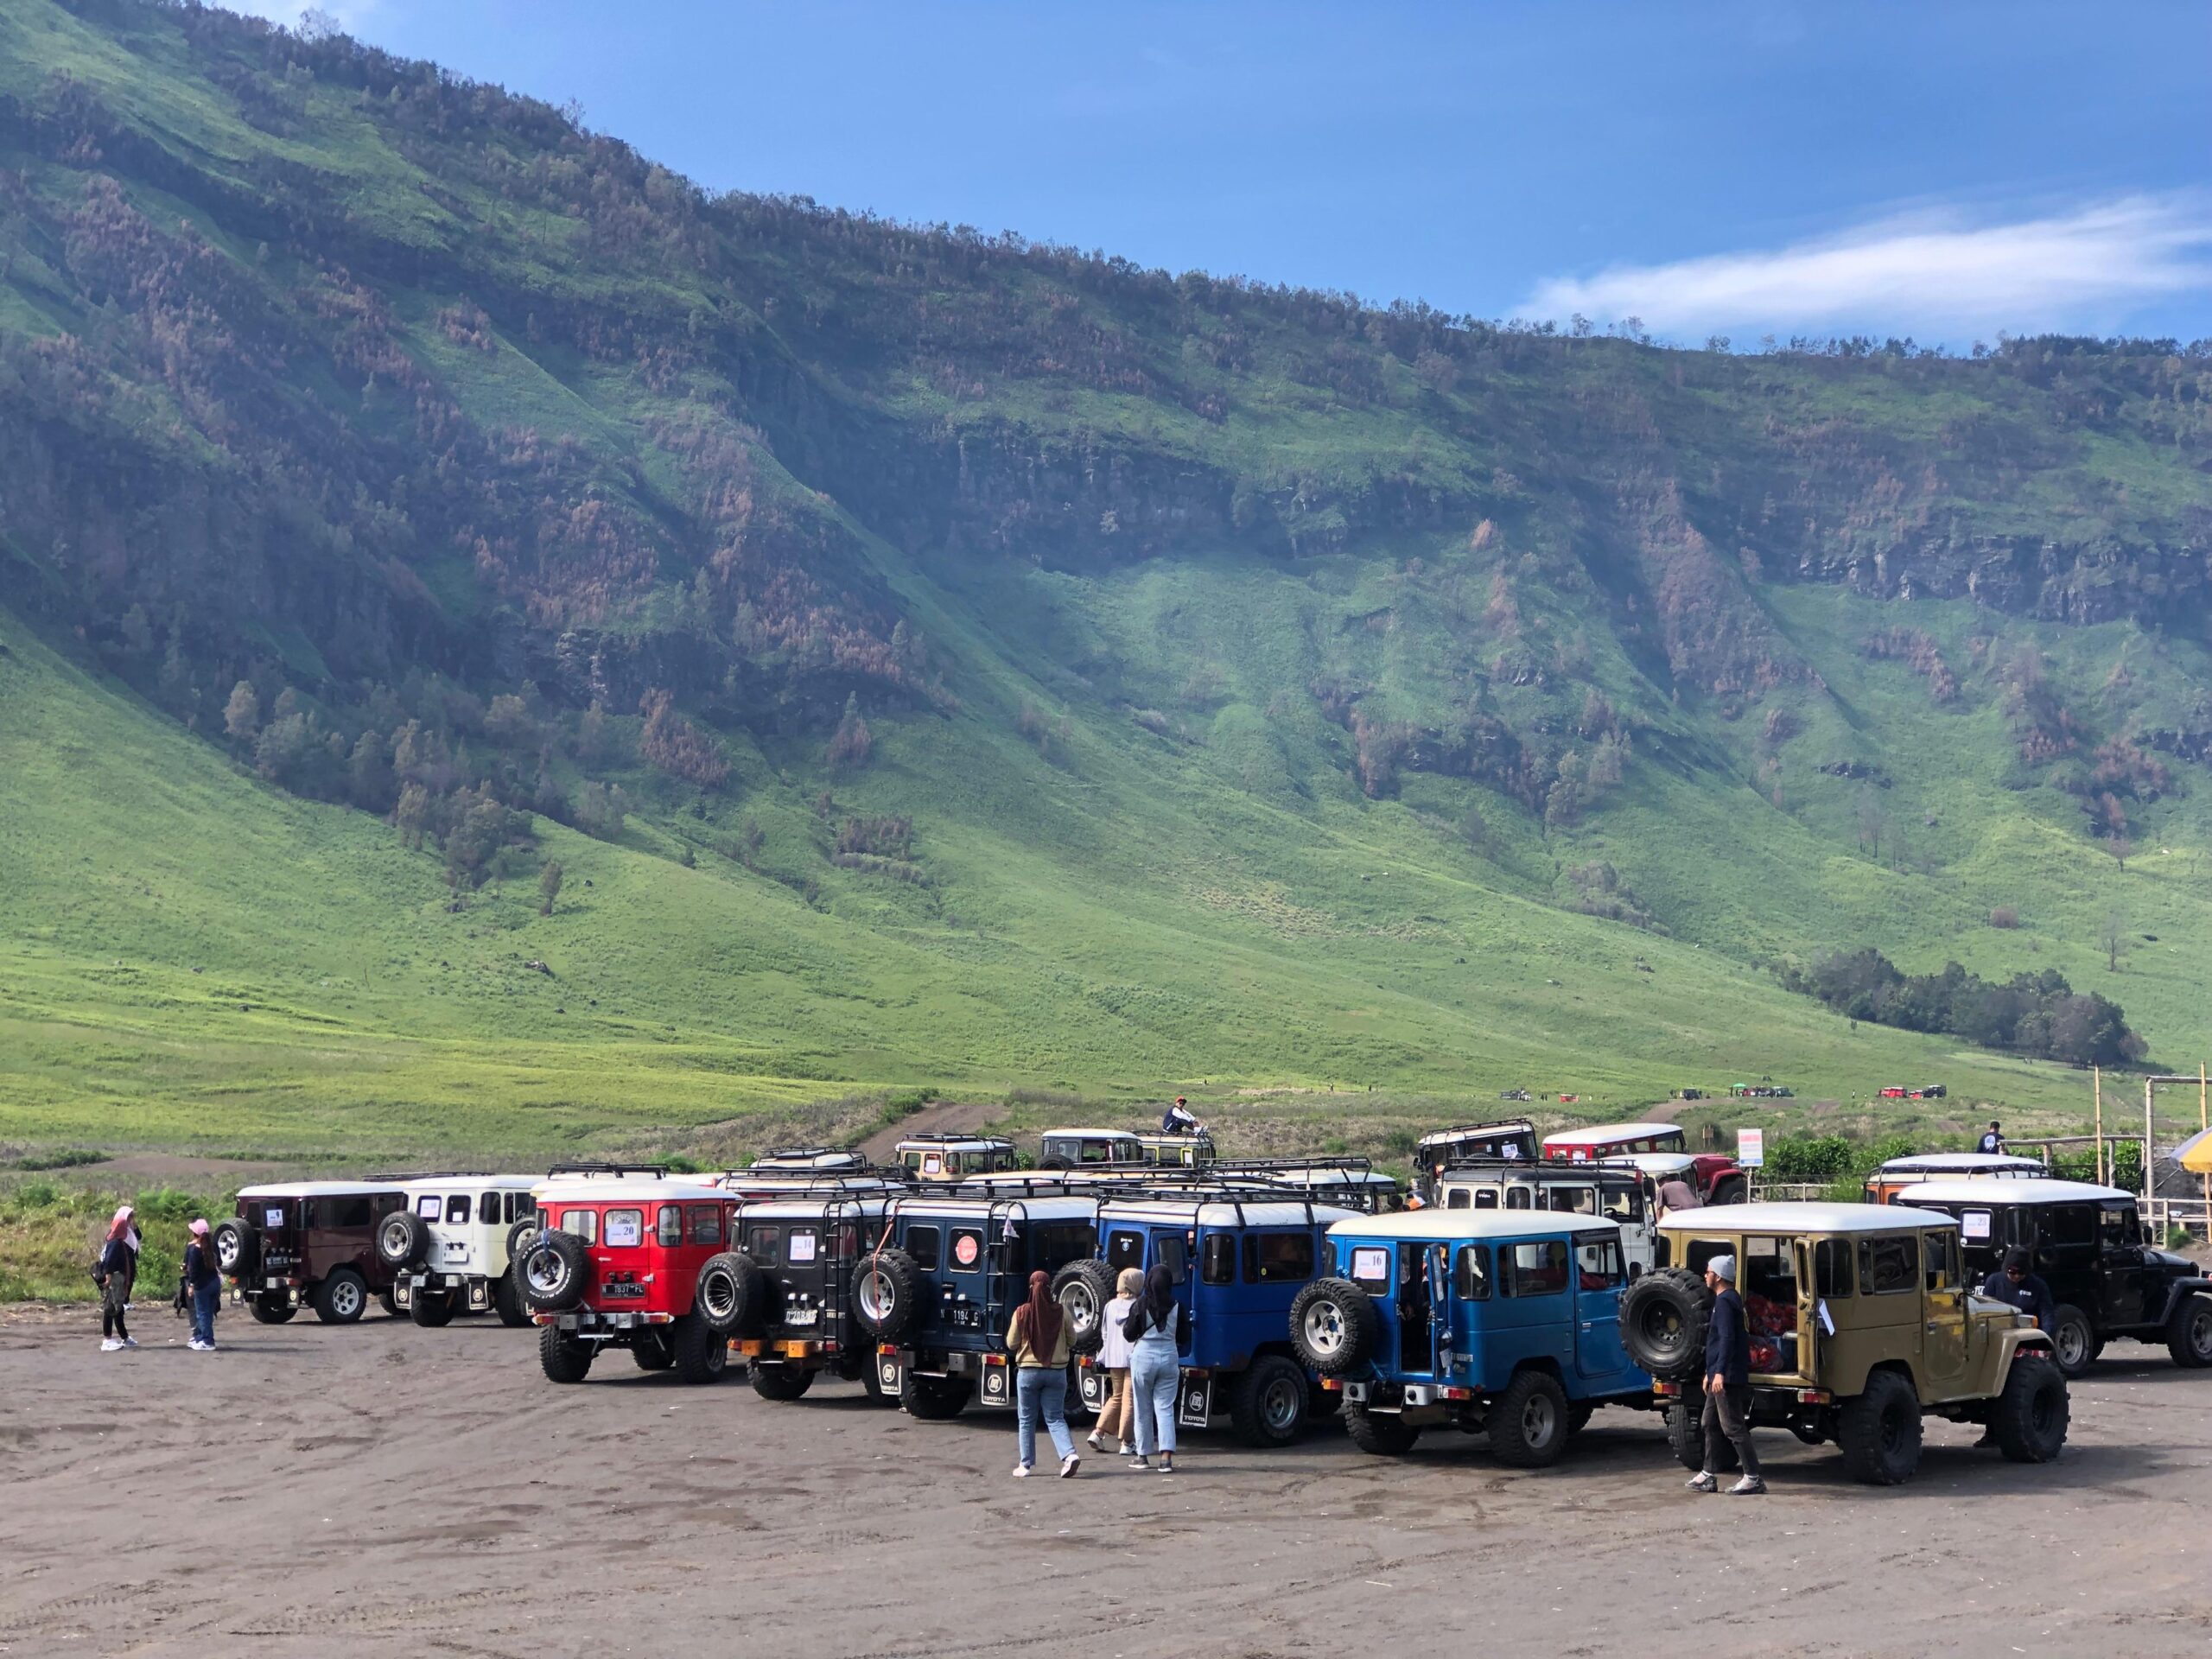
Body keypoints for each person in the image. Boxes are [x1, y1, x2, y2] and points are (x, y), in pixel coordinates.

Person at [1688, 1254, 1764, 1495]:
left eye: (1708, 1271)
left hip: (1727, 1376)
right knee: (1709, 1423)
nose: (1705, 1275)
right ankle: (1709, 1474)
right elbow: (1719, 1340)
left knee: (1732, 1427)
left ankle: (1753, 1477)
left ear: (1718, 1276)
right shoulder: (1729, 1300)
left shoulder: (1724, 1303)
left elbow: (1727, 1340)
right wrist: (1710, 1373)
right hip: (1718, 1375)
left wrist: (1719, 1372)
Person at [1006, 1269, 1079, 1478]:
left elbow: (1011, 1343)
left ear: (1030, 1288)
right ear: (1050, 1289)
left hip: (1028, 1373)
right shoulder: (1062, 1312)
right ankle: (1069, 1455)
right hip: (1056, 1373)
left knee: (1027, 1419)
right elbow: (1073, 1340)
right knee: (1055, 1417)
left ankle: (1025, 1465)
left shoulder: (1021, 1312)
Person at [1123, 1262, 1188, 1472]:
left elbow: (1128, 1334)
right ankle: (1166, 1459)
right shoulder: (1178, 1306)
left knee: (1142, 1407)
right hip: (1169, 1356)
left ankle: (1142, 1456)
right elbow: (1185, 1337)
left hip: (1143, 1357)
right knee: (1165, 1407)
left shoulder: (1141, 1304)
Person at [1087, 1267, 1143, 1454]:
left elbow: (1104, 1333)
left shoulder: (1110, 1306)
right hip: (1133, 1357)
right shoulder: (1138, 1305)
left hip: (1113, 1357)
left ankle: (1098, 1432)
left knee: (1117, 1396)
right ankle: (1127, 1443)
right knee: (1129, 1399)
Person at [96, 1205, 140, 1352]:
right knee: (110, 1308)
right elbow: (109, 1262)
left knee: (118, 1309)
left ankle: (124, 1336)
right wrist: (108, 1280)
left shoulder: (120, 1240)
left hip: (120, 1279)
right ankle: (107, 1339)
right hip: (115, 1279)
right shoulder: (115, 1242)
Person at [1980, 1247, 2054, 1332]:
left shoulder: (2038, 1286)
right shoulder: (1994, 1281)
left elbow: (2047, 1315)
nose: (2017, 1276)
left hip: (2027, 1333)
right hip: (2000, 1332)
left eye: (2021, 1272)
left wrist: (2046, 1336)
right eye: (2013, 1272)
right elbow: (1984, 1310)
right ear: (2006, 1269)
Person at [183, 1218, 222, 1351]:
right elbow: (220, 1263)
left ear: (195, 1234)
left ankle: (207, 1341)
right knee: (208, 1313)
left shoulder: (194, 1250)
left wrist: (191, 1286)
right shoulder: (213, 1246)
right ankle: (202, 1338)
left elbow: (192, 1271)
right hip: (215, 1283)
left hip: (202, 1286)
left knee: (202, 1313)